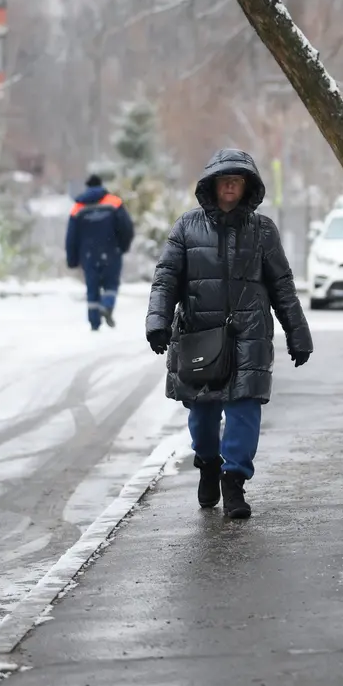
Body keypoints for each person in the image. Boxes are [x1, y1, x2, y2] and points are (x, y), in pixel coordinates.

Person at [146, 149, 312, 520]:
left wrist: (298, 334)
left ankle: (234, 481)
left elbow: (282, 285)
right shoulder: (187, 228)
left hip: (250, 336)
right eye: (225, 181)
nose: (230, 188)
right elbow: (166, 278)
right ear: (213, 186)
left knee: (244, 410)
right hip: (200, 337)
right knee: (203, 417)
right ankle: (208, 462)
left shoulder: (263, 230)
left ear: (247, 186)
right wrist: (157, 322)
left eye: (237, 182)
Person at [66, 173, 135, 330]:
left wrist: (72, 258)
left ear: (87, 186)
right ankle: (107, 304)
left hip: (88, 254)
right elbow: (126, 227)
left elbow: (71, 236)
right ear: (101, 185)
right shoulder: (114, 203)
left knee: (92, 287)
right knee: (111, 283)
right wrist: (123, 246)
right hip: (111, 250)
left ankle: (94, 322)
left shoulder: (78, 208)